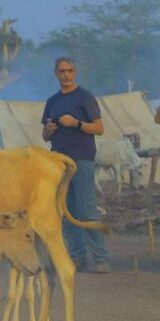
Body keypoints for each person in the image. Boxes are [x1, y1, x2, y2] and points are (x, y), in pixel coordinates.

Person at [42, 56, 108, 273]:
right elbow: (44, 135)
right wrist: (49, 130)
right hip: (59, 162)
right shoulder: (52, 101)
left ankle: (100, 258)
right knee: (66, 209)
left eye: (69, 71)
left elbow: (99, 128)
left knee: (86, 208)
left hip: (82, 159)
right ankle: (78, 257)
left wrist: (77, 123)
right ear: (56, 74)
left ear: (75, 72)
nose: (66, 75)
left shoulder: (85, 97)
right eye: (62, 71)